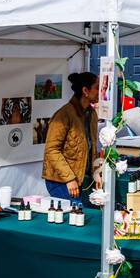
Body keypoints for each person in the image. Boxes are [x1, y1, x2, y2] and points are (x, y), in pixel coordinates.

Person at [43, 71, 98, 202]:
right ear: (85, 90)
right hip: (62, 181)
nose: (101, 91)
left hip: (82, 180)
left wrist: (96, 173)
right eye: (97, 87)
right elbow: (51, 150)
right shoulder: (64, 115)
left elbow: (91, 148)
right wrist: (69, 179)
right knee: (75, 218)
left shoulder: (91, 114)